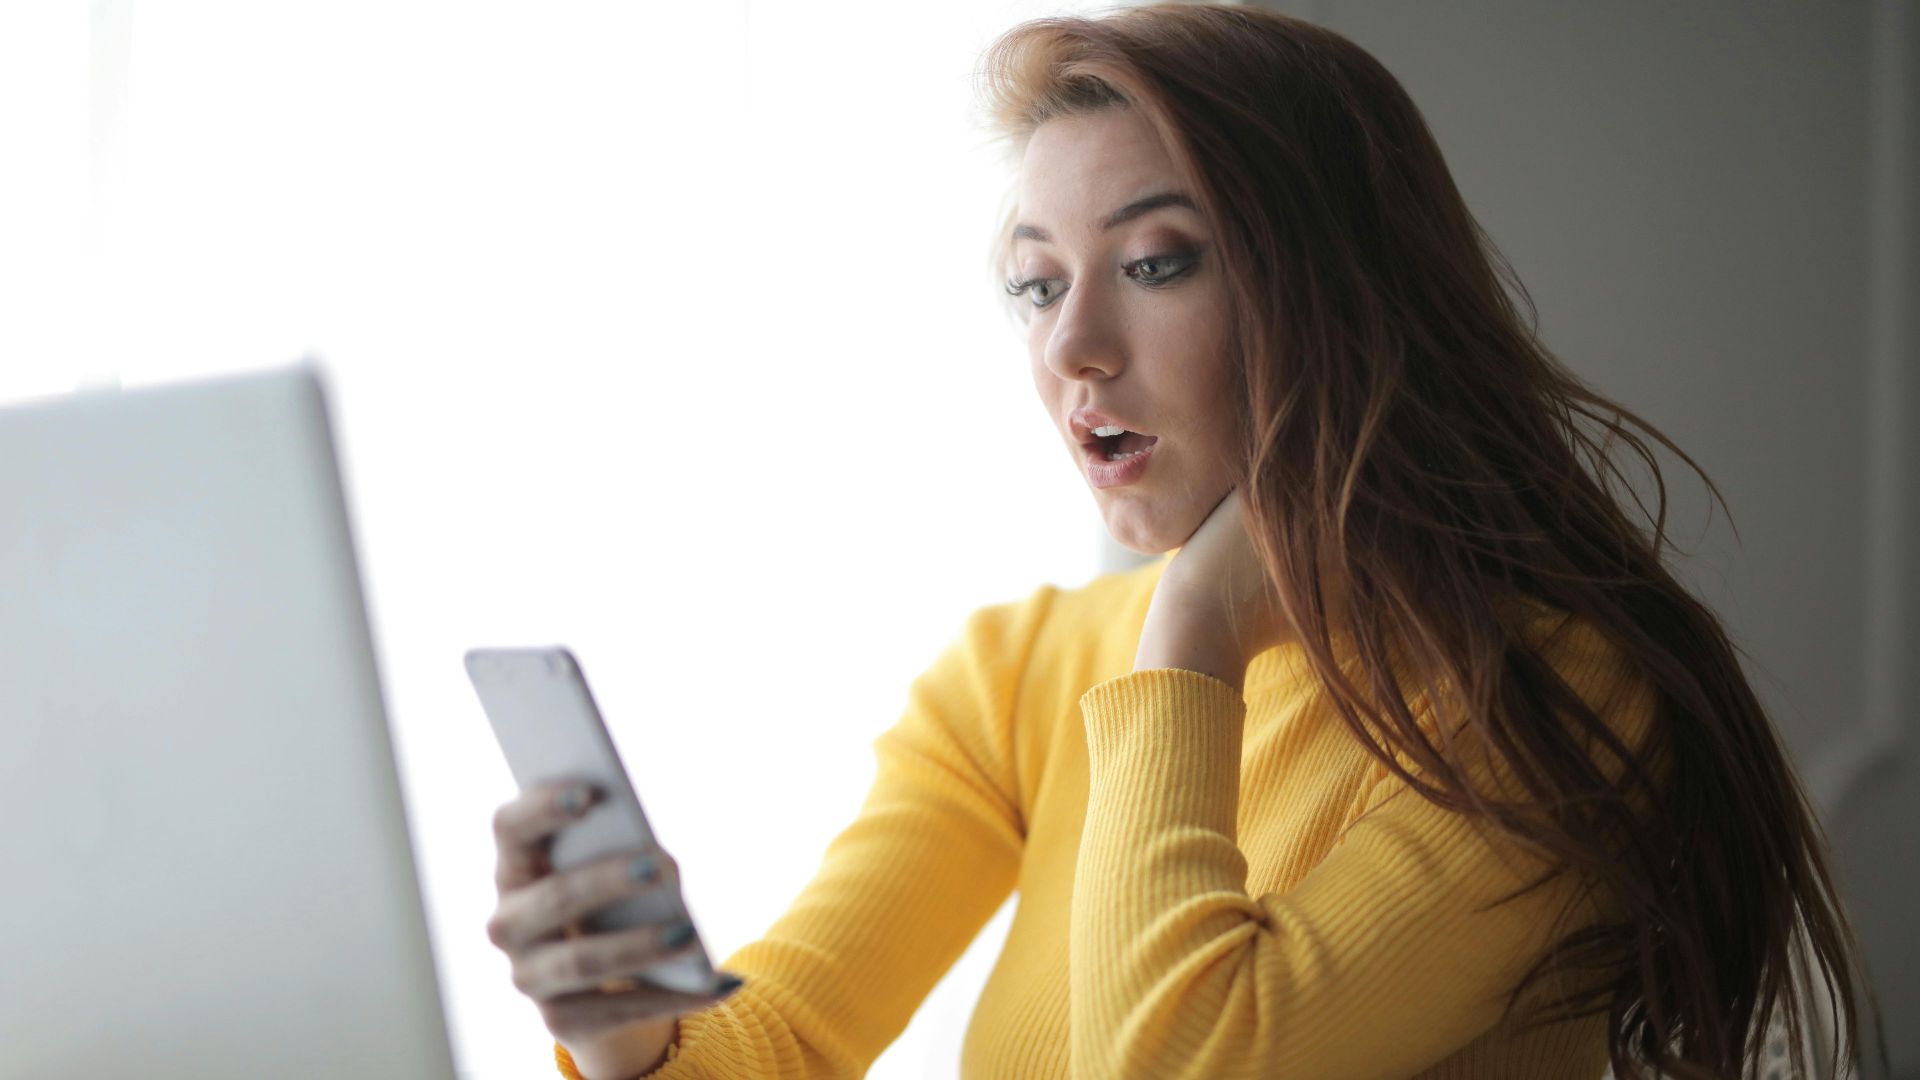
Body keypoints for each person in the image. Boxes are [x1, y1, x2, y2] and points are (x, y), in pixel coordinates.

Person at [484, 5, 1880, 1078]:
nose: (1072, 348)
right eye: (1036, 284)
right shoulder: (1015, 673)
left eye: (1156, 263)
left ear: (1340, 297)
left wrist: (1194, 634)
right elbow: (778, 1048)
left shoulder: (1554, 702)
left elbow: (1184, 1057)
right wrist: (632, 1031)